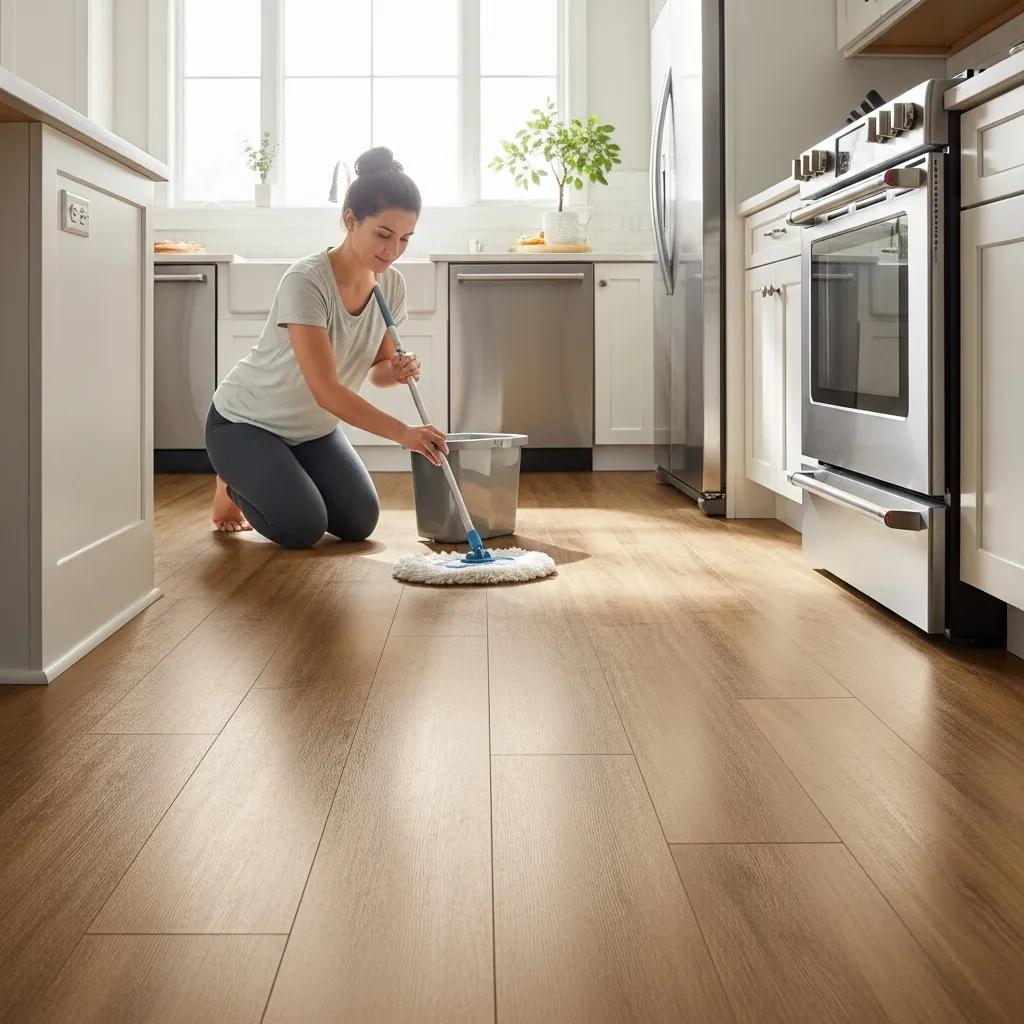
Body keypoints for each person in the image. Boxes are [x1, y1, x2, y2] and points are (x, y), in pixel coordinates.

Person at [205, 146, 448, 548]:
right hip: (245, 423)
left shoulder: (392, 286)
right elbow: (327, 390)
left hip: (312, 429)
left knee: (358, 521)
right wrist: (404, 432)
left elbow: (378, 371)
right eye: (383, 235)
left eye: (405, 239)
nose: (393, 251)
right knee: (301, 527)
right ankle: (231, 479)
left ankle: (277, 469)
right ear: (350, 220)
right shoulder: (307, 281)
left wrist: (397, 370)